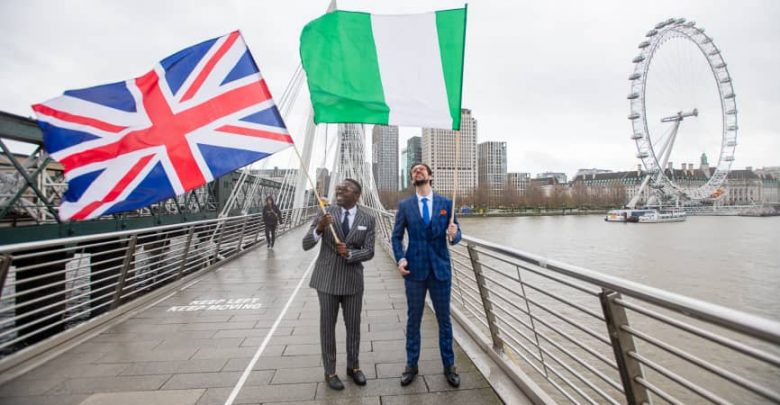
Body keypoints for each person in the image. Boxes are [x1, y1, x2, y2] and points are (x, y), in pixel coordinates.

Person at [391, 162, 462, 388]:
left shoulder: (446, 204)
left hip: (440, 271)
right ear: (412, 179)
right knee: (414, 320)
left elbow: (456, 236)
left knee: (444, 320)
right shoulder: (405, 206)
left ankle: (449, 365)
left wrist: (454, 234)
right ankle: (411, 365)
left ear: (430, 176)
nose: (417, 172)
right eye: (414, 171)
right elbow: (396, 237)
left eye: (421, 169)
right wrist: (400, 259)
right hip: (414, 271)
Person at [302, 179, 376, 390]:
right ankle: (330, 371)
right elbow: (306, 244)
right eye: (338, 188)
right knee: (327, 327)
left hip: (352, 280)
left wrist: (351, 253)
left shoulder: (368, 219)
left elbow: (369, 251)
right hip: (327, 280)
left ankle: (353, 367)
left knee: (353, 326)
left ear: (357, 195)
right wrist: (319, 228)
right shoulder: (325, 213)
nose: (339, 190)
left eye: (346, 188)